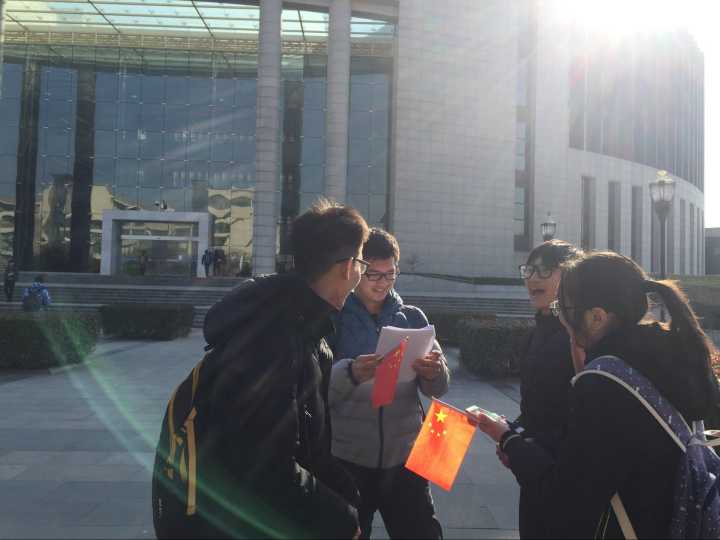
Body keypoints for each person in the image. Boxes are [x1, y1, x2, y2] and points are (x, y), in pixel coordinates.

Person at [475, 252, 720, 538]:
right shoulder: (674, 357)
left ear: (597, 317)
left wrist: (510, 441)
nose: (561, 316)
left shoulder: (604, 385)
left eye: (563, 307)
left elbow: (565, 501)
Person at [195, 199, 369, 538]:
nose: (361, 273)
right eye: (362, 262)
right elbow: (264, 467)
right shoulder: (271, 338)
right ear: (348, 267)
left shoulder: (303, 326)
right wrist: (342, 520)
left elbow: (308, 444)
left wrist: (347, 495)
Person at [328, 228, 449, 539]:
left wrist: (433, 372)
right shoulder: (333, 318)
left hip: (406, 458)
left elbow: (438, 387)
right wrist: (351, 372)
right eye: (373, 274)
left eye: (390, 274)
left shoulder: (413, 317)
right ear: (356, 269)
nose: (382, 283)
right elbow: (314, 386)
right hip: (349, 458)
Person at [511, 240, 581, 538]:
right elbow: (533, 408)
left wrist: (520, 442)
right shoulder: (535, 334)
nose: (533, 278)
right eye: (529, 270)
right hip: (533, 470)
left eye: (545, 270)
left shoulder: (579, 337)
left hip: (565, 476)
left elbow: (581, 418)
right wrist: (512, 433)